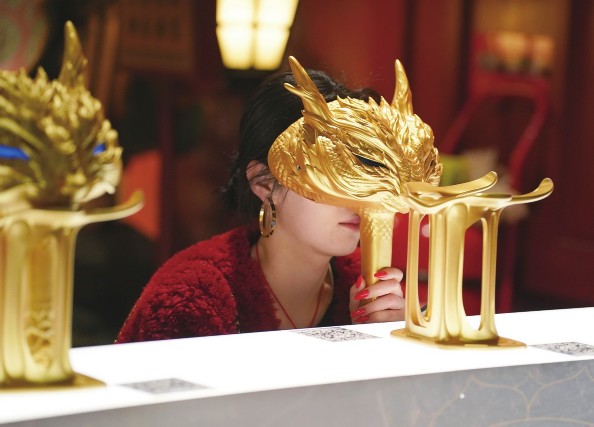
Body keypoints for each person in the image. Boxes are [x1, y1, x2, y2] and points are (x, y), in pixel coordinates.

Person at [116, 67, 405, 343]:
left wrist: (380, 339)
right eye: (333, 176)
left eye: (368, 176)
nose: (359, 198)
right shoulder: (191, 296)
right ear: (264, 184)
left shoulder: (366, 285)